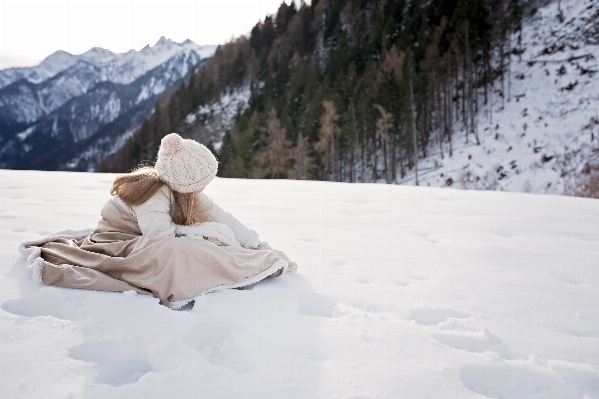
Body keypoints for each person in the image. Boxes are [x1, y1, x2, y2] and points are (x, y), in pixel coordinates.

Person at [20, 133, 297, 309]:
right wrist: (199, 236)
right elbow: (160, 239)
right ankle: (232, 268)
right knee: (180, 253)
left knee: (205, 241)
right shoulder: (154, 194)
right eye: (201, 182)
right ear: (184, 181)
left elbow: (221, 217)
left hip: (145, 239)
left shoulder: (186, 193)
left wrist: (257, 244)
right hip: (117, 242)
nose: (204, 188)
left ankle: (257, 262)